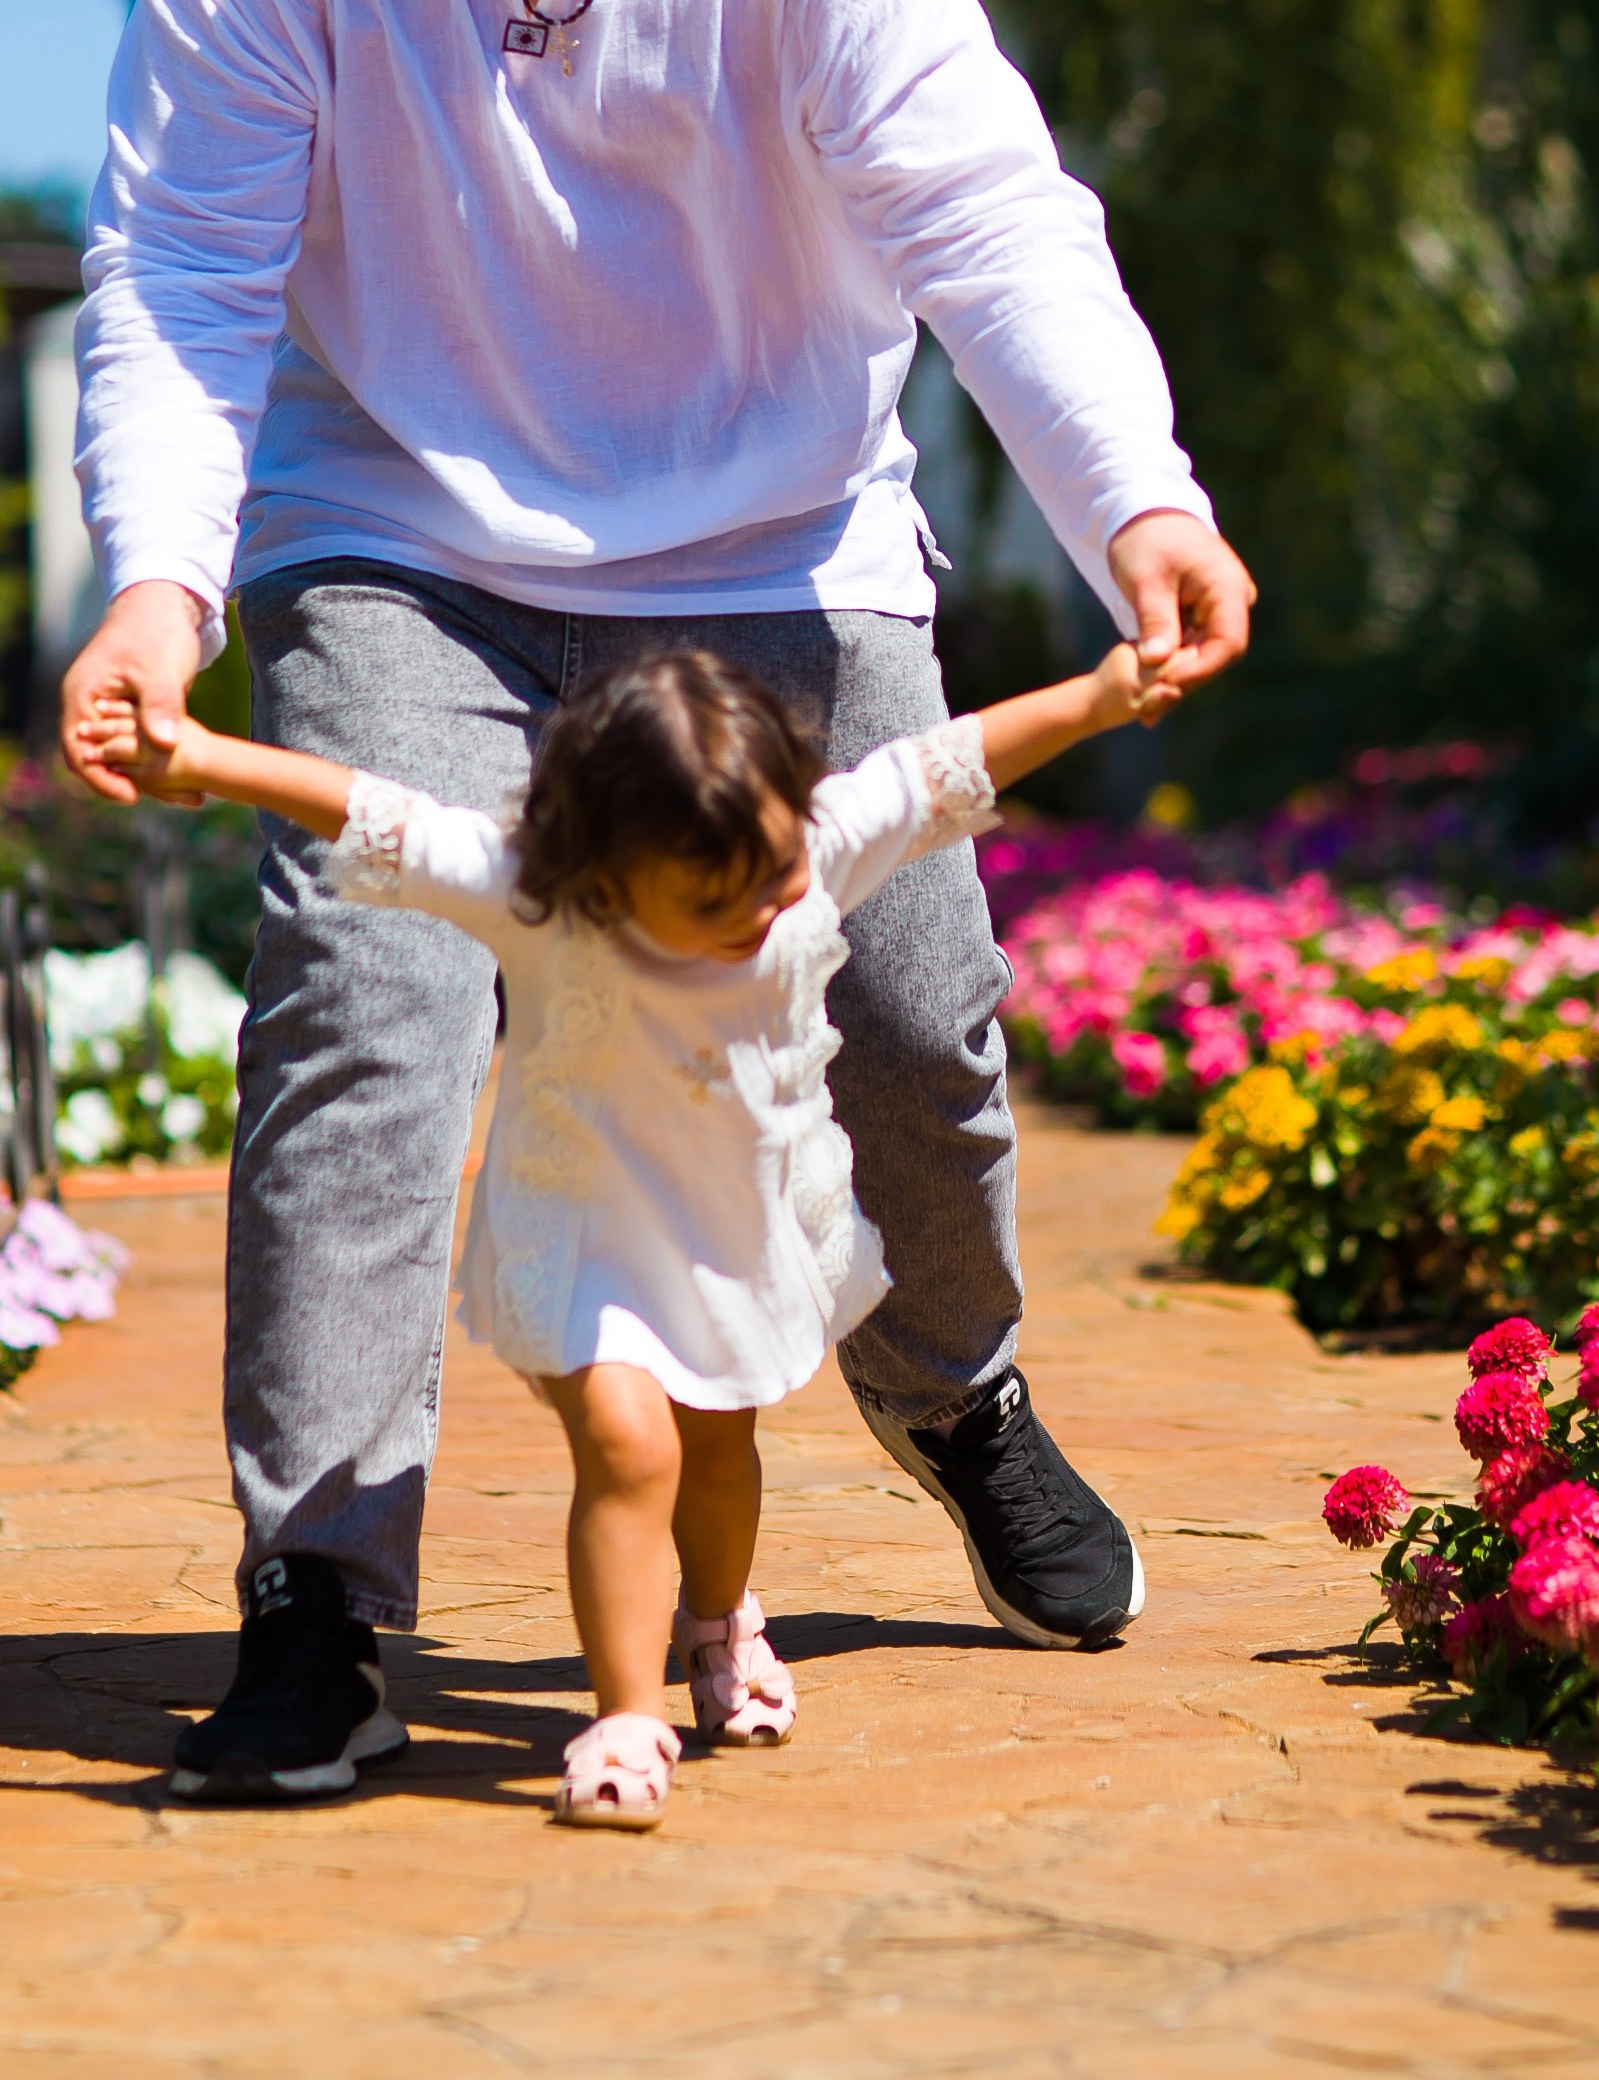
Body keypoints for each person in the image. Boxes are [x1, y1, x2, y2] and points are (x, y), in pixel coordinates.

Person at [62, 0, 1254, 1803]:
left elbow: (981, 203)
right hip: (406, 532)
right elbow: (183, 275)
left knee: (913, 1019)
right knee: (361, 991)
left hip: (782, 542)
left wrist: (1139, 494)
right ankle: (318, 1589)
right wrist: (161, 583)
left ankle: (957, 1388)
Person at [77, 637, 1191, 1821]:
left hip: (736, 1230)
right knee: (628, 1446)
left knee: (716, 1450)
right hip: (586, 1233)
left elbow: (943, 765)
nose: (766, 907)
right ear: (609, 868)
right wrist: (206, 756)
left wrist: (1099, 697)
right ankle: (623, 1714)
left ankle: (720, 1620)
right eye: (718, 897)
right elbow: (375, 810)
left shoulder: (801, 859)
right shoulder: (537, 895)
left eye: (772, 873)